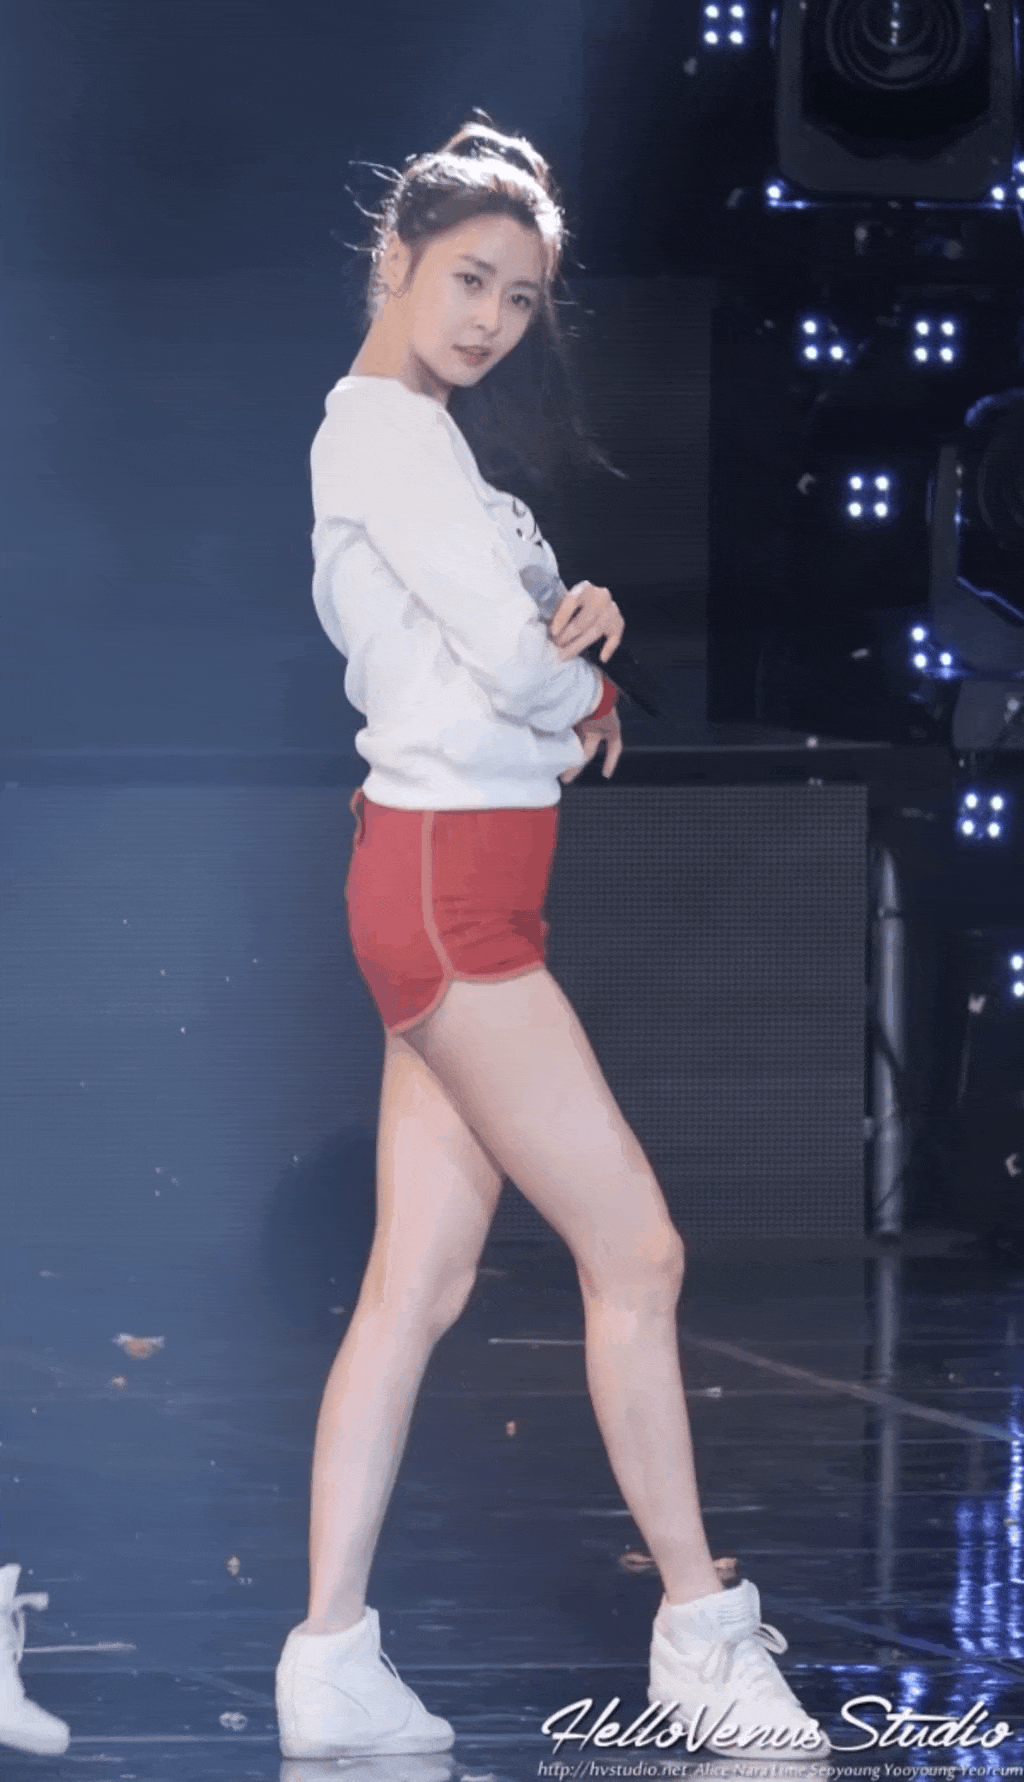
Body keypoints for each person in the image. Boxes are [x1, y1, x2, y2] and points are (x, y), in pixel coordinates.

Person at [275, 112, 830, 1765]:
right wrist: (573, 678)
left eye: (520, 298)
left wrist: (572, 631)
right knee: (637, 1251)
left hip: (450, 880)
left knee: (417, 1284)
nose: (492, 319)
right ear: (395, 260)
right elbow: (520, 675)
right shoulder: (384, 432)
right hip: (451, 891)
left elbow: (519, 641)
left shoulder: (426, 447)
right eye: (469, 279)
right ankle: (702, 1634)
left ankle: (329, 1659)